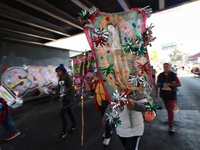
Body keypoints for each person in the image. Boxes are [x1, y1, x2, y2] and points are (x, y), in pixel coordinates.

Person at [50, 64, 78, 141]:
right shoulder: (60, 79)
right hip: (64, 98)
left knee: (62, 114)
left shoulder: (68, 78)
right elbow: (58, 90)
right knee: (68, 112)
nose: (57, 73)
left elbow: (72, 89)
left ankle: (64, 132)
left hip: (68, 99)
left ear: (63, 71)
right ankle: (75, 124)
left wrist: (72, 100)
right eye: (57, 71)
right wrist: (53, 99)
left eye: (59, 71)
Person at [155, 63, 181, 133]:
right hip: (164, 95)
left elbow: (179, 84)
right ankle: (170, 119)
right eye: (164, 67)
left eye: (167, 67)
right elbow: (157, 84)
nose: (165, 68)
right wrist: (156, 92)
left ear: (169, 67)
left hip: (172, 94)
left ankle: (171, 125)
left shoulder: (173, 75)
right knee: (168, 109)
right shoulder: (160, 75)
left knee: (170, 109)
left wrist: (170, 84)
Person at [92, 72, 112, 146]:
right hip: (100, 104)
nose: (95, 77)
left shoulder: (107, 82)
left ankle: (108, 136)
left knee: (106, 120)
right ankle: (109, 130)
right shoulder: (97, 82)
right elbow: (94, 92)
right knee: (105, 119)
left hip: (107, 104)